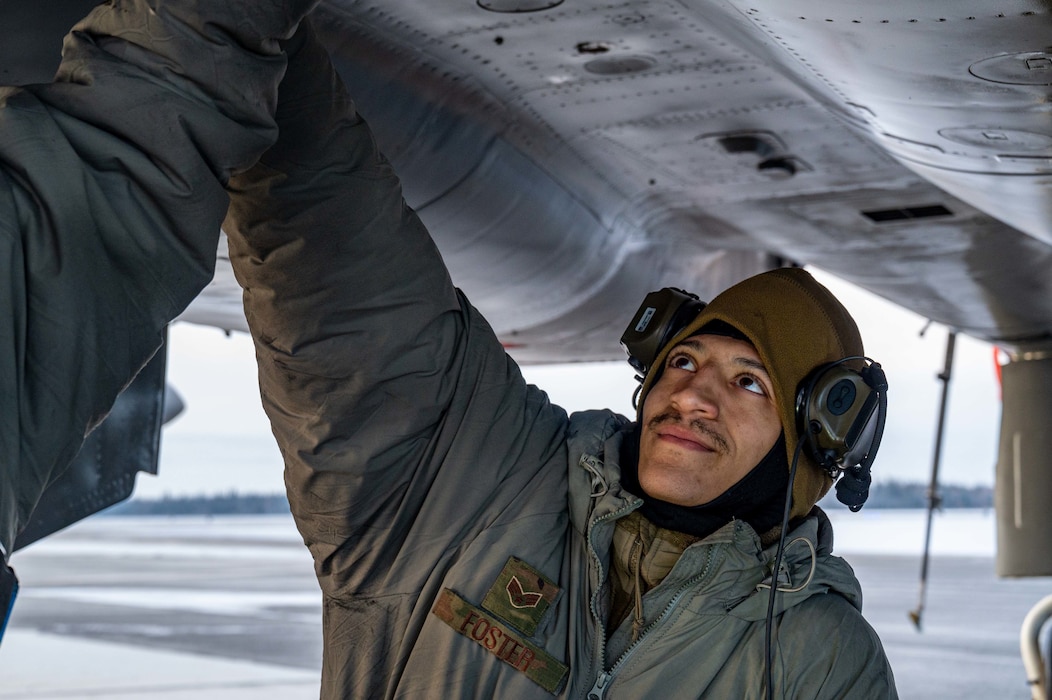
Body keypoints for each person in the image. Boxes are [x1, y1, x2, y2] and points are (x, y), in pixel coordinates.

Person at [1, 2, 897, 697]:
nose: (695, 395)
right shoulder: (476, 483)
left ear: (814, 442)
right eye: (687, 361)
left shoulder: (817, 662)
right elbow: (336, 245)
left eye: (748, 382)